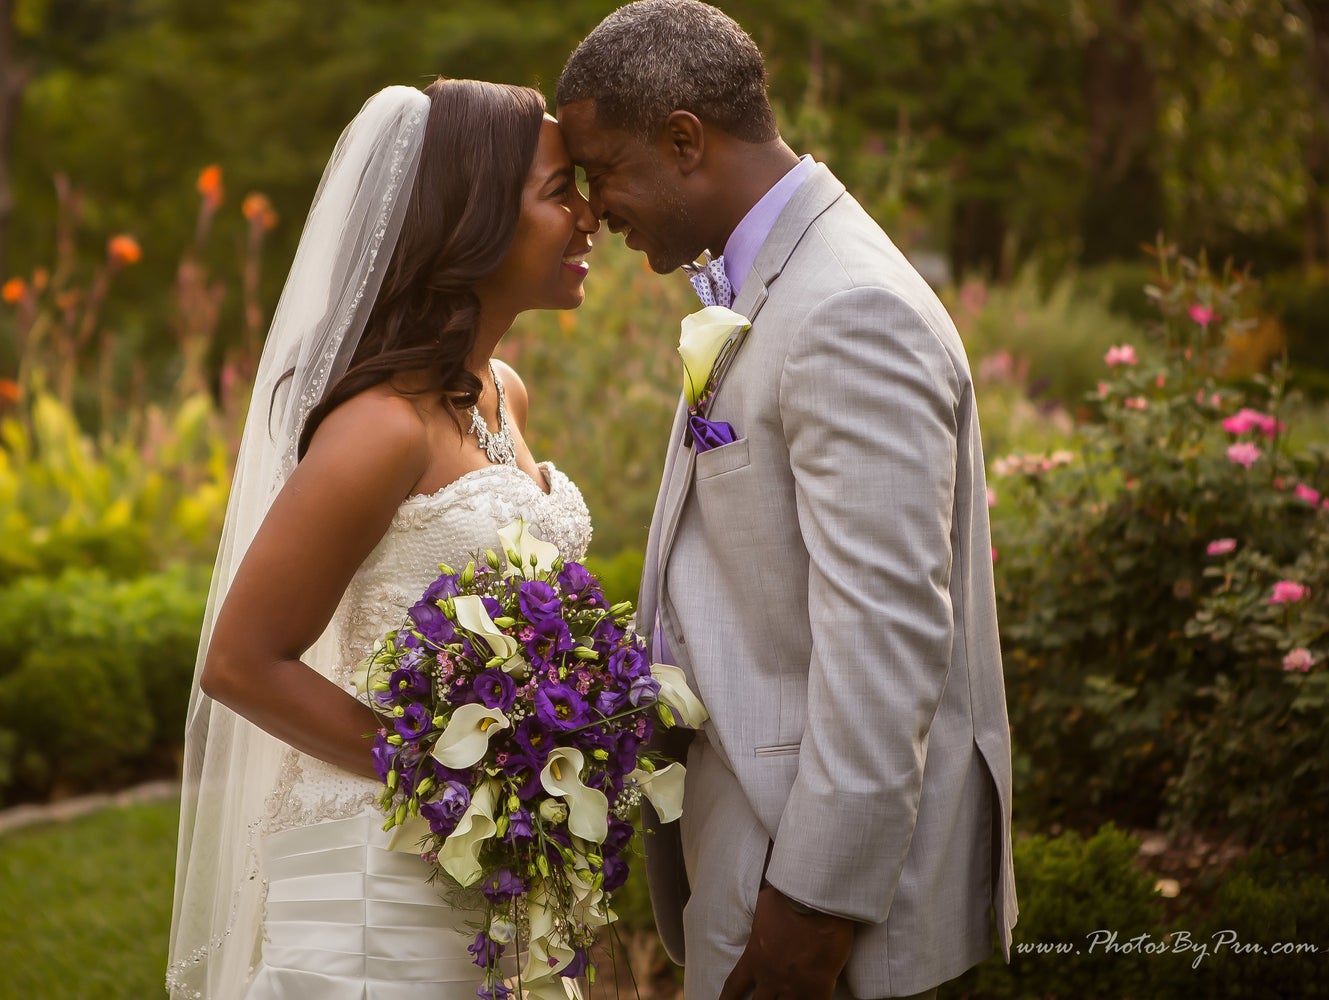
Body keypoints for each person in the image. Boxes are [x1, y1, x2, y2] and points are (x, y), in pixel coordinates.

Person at [555, 3, 1018, 999]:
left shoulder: (848, 308)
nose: (592, 209)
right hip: (753, 840)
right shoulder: (772, 280)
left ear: (685, 140)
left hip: (809, 883)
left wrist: (810, 910)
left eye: (602, 171)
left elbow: (885, 636)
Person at [166, 79, 598, 1000]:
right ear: (477, 218)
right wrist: (458, 779)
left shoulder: (503, 393)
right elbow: (241, 662)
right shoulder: (382, 426)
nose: (590, 218)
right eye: (562, 192)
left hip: (487, 864)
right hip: (383, 882)